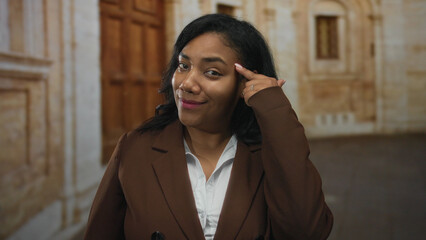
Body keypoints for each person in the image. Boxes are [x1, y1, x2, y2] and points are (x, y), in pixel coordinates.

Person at [84, 14, 333, 240]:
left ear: (244, 85)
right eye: (183, 66)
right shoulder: (135, 149)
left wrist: (273, 107)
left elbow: (307, 232)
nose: (187, 84)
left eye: (212, 72)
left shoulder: (269, 155)